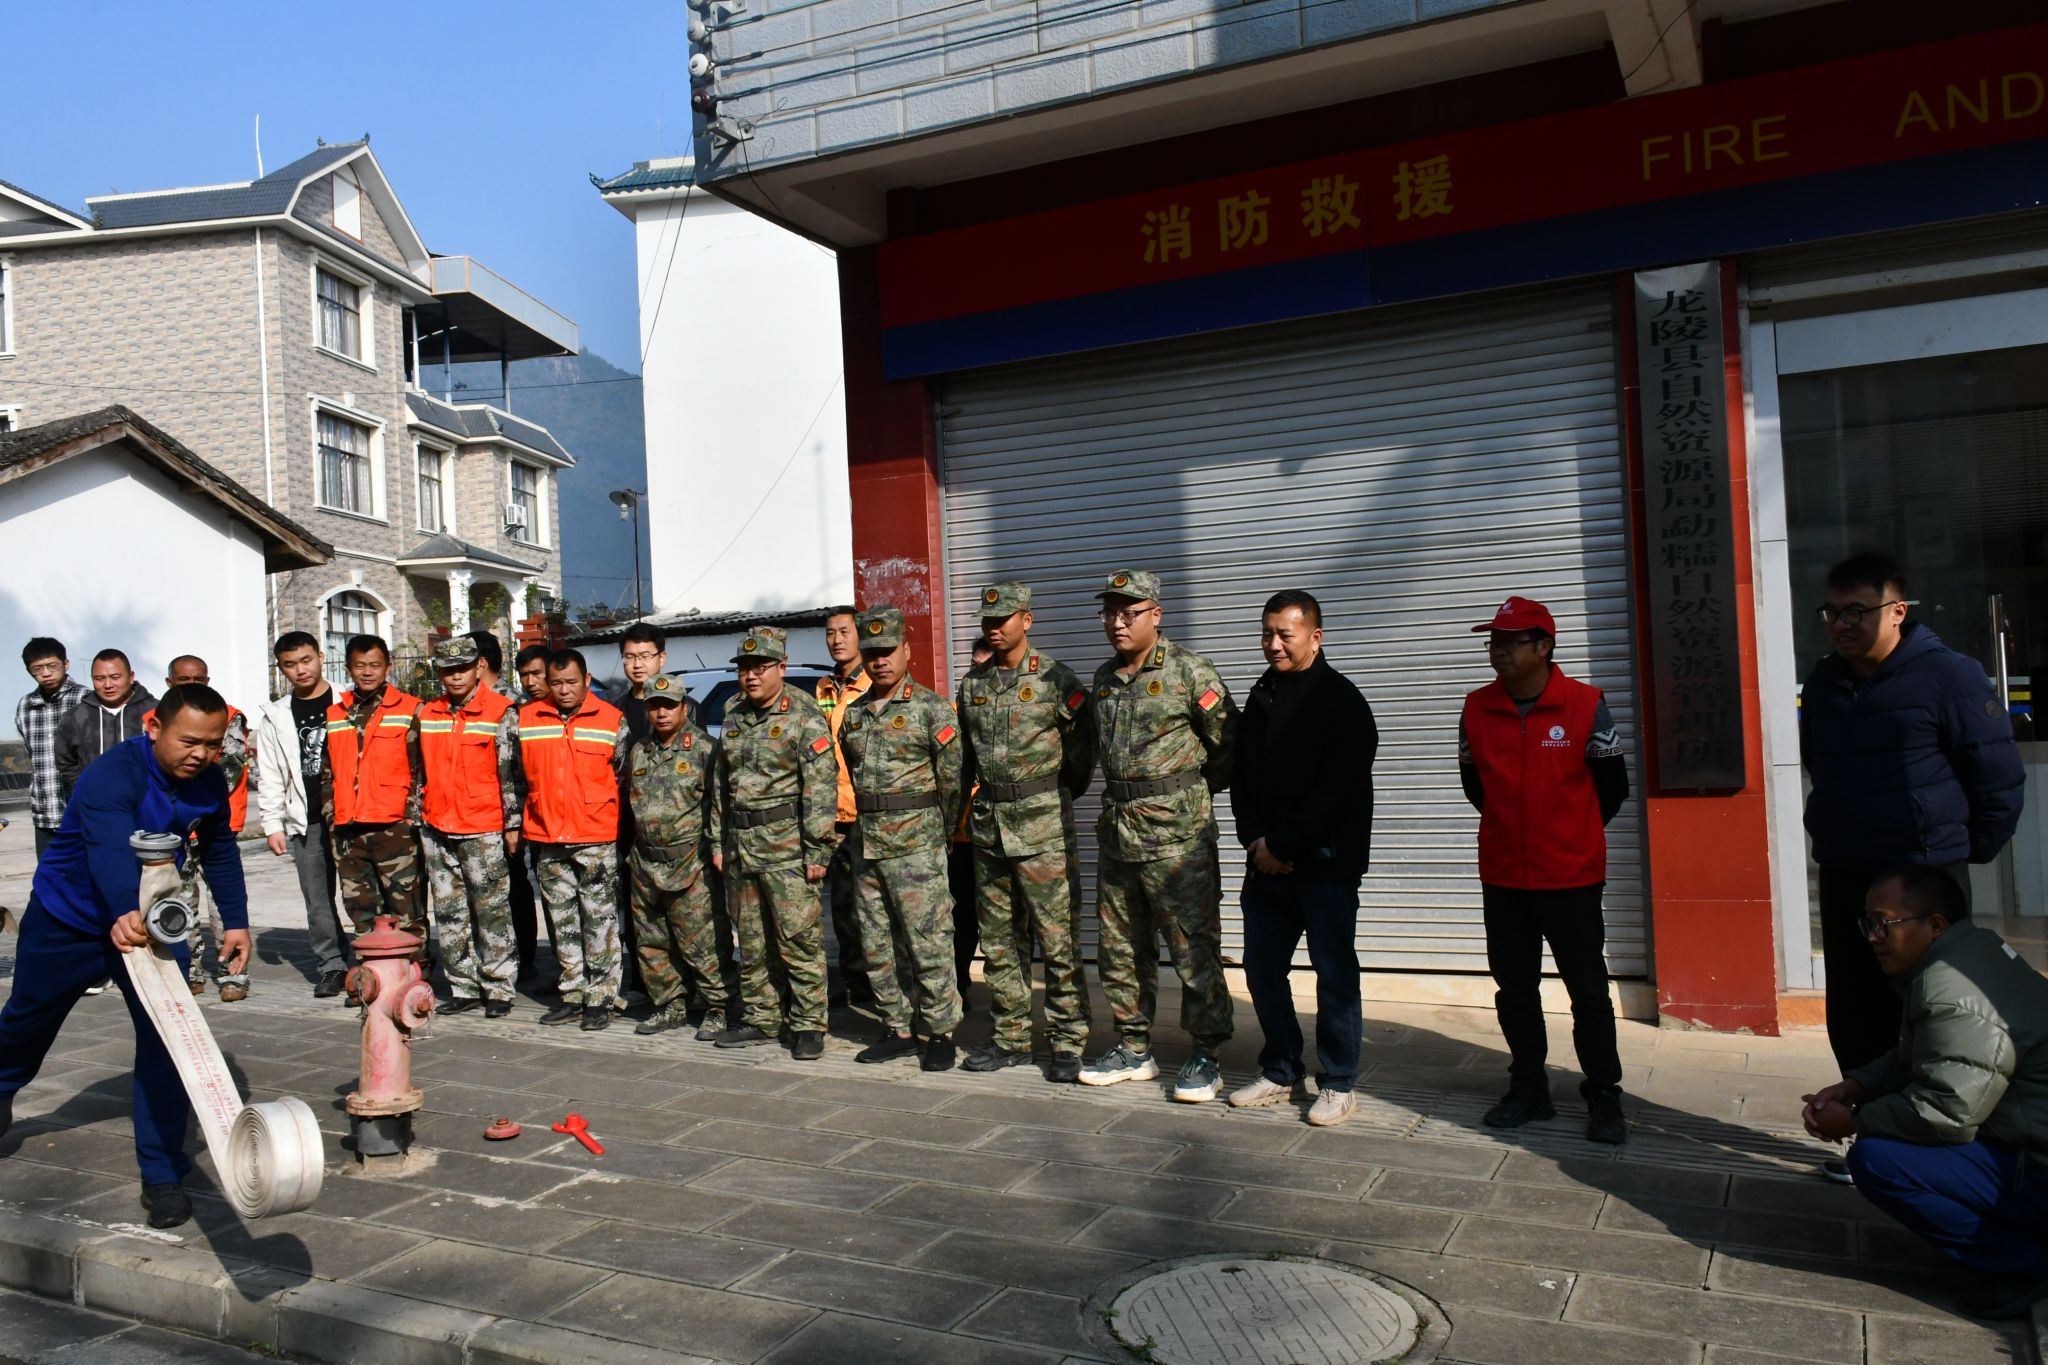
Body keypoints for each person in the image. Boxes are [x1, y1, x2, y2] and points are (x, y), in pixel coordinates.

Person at [1801, 551, 2023, 1179]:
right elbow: (1820, 764)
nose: (1842, 625)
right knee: (1854, 1009)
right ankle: (1865, 1138)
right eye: (1832, 613)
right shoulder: (1824, 682)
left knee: (1930, 1011)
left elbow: (1999, 777)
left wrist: (1958, 852)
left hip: (1922, 880)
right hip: (1848, 872)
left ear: (1897, 611)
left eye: (1856, 612)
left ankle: (1930, 1146)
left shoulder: (1949, 675)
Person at [0, 685, 251, 1230]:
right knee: (25, 1022)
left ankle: (162, 1174)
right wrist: (120, 909)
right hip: (67, 920)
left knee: (169, 1041)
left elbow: (219, 848)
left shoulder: (210, 779)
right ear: (153, 728)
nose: (201, 754)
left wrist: (235, 920)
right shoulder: (112, 774)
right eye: (189, 741)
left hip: (151, 926)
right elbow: (110, 849)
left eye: (212, 744)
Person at [1802, 867, 2048, 1320]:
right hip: (2026, 1143)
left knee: (1878, 1160)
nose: (1872, 938)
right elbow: (1926, 1054)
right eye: (1867, 924)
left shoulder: (1949, 990)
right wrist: (1857, 1084)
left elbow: (1947, 1112)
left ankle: (2022, 1263)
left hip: (2036, 1165)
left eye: (1883, 924)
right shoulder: (1974, 951)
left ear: (1935, 924)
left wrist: (1854, 1121)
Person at [1459, 596, 1631, 1145]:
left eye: (1512, 642)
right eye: (1494, 641)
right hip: (1504, 875)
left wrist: (1567, 835)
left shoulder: (1585, 705)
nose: (1499, 651)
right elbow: (1475, 787)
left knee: (1589, 992)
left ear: (1544, 647)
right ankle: (1529, 1088)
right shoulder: (1476, 708)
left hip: (1571, 877)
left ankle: (1604, 1093)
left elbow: (1613, 788)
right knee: (1515, 990)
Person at [1080, 569, 1238, 1102]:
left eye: (1129, 613)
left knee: (1192, 946)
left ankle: (1206, 1053)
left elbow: (1228, 747)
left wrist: (1185, 797)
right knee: (1120, 947)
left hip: (1178, 839)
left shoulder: (1191, 671)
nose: (1117, 623)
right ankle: (1133, 1046)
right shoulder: (1104, 678)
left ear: (1156, 614)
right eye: (1110, 613)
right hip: (1118, 835)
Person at [1228, 591, 1378, 1127]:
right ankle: (1281, 1067)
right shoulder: (1262, 695)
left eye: (1284, 635)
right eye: (1266, 634)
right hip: (1266, 862)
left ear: (1315, 637)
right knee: (1262, 967)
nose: (1273, 645)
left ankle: (1338, 1082)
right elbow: (1241, 777)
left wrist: (1283, 845)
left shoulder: (1341, 701)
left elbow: (1338, 790)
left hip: (1325, 863)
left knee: (1333, 972)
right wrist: (1256, 842)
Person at [956, 584, 1094, 1083]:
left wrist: (1047, 795)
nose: (994, 628)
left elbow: (1082, 754)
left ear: (1026, 621)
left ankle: (1067, 1040)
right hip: (990, 829)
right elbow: (965, 761)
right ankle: (1010, 1037)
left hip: (1043, 829)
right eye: (987, 621)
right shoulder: (972, 686)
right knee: (999, 940)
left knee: (1057, 940)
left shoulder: (1057, 679)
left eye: (1004, 620)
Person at [839, 605, 966, 1072]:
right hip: (867, 845)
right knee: (877, 943)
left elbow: (952, 781)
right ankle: (898, 1028)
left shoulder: (932, 709)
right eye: (872, 653)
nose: (880, 661)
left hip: (917, 846)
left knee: (929, 940)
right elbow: (852, 773)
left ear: (907, 651)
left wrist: (939, 833)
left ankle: (941, 1031)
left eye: (888, 651)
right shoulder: (853, 715)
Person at [708, 626, 838, 1058]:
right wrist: (718, 841)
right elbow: (721, 783)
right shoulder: (733, 712)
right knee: (752, 939)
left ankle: (808, 1023)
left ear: (781, 667)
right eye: (744, 668)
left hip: (787, 847)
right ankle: (763, 1017)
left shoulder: (803, 714)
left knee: (798, 938)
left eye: (760, 667)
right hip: (741, 845)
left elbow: (820, 786)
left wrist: (818, 849)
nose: (751, 676)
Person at [512, 650, 629, 1028]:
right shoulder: (527, 719)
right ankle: (573, 994)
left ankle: (601, 999)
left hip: (595, 836)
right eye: (557, 683)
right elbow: (515, 775)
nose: (564, 690)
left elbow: (622, 773)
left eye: (572, 682)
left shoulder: (612, 719)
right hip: (547, 836)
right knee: (563, 923)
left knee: (599, 922)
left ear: (587, 680)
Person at [414, 637, 524, 1019]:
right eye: (448, 670)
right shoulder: (429, 713)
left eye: (462, 668)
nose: (455, 676)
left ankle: (499, 986)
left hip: (483, 827)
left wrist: (512, 825)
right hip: (437, 826)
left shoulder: (501, 712)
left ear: (478, 667)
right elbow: (419, 771)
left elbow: (511, 775)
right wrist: (419, 815)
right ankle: (463, 987)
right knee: (449, 912)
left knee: (491, 911)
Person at [627, 674, 738, 1038]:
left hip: (690, 862)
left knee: (703, 941)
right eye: (654, 706)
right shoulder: (639, 750)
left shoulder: (705, 749)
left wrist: (717, 851)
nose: (661, 713)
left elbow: (719, 807)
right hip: (645, 863)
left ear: (684, 708)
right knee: (653, 942)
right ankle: (670, 1004)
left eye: (669, 705)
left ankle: (718, 1007)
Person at [254, 632, 349, 998]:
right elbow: (270, 774)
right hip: (305, 818)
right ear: (281, 669)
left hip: (351, 815)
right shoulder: (275, 716)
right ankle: (332, 964)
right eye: (290, 665)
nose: (300, 670)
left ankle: (376, 960)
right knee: (317, 899)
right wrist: (272, 824)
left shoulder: (347, 700)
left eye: (306, 660)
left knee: (363, 895)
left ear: (321, 656)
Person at [154, 655, 252, 1002]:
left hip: (215, 821)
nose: (193, 685)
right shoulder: (156, 718)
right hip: (175, 830)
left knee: (223, 903)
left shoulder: (228, 715)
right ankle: (189, 970)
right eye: (185, 681)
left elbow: (230, 767)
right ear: (170, 684)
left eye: (199, 680)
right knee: (181, 901)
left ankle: (232, 974)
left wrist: (194, 793)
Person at [325, 635, 427, 963]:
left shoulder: (411, 709)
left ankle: (416, 974)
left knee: (406, 910)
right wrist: (331, 815)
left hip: (394, 829)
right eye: (360, 666)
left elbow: (422, 769)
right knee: (361, 911)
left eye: (374, 665)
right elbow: (327, 770)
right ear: (348, 668)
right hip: (348, 829)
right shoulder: (335, 713)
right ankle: (373, 975)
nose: (367, 672)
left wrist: (410, 816)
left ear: (388, 667)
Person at [815, 605, 877, 1011]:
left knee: (874, 905)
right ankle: (856, 982)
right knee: (842, 906)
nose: (836, 640)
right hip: (834, 814)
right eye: (830, 633)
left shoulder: (874, 682)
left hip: (869, 811)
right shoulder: (824, 687)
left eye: (844, 631)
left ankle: (884, 983)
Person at [949, 635, 996, 1003]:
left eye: (985, 666)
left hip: (1002, 834)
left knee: (1004, 917)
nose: (976, 673)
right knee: (961, 915)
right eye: (972, 666)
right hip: (963, 835)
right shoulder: (955, 710)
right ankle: (959, 984)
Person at [15, 637, 87, 858]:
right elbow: (32, 753)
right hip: (45, 812)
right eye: (37, 669)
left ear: (66, 664)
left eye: (52, 666)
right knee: (49, 874)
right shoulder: (25, 705)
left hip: (80, 811)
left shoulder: (86, 699)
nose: (46, 673)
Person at [55, 648, 156, 799]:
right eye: (99, 678)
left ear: (131, 677)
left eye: (115, 677)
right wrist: (86, 786)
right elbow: (65, 762)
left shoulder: (156, 711)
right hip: (97, 805)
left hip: (149, 802)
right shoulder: (75, 717)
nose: (108, 685)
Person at [508, 643, 552, 982]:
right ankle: (536, 962)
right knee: (543, 893)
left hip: (574, 821)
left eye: (537, 673)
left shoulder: (569, 710)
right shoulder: (518, 716)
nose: (530, 681)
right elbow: (512, 773)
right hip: (532, 819)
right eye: (524, 675)